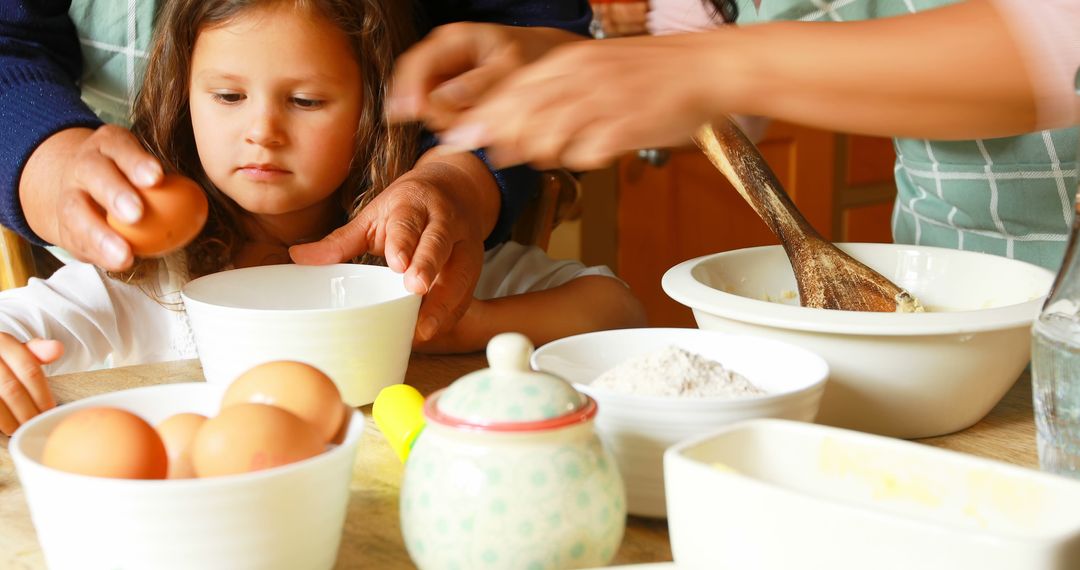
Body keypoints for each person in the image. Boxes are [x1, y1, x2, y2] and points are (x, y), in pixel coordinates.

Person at [0, 0, 645, 436]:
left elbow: (614, 310)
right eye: (227, 96)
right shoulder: (146, 279)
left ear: (377, 105)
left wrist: (470, 324)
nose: (261, 131)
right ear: (182, 95)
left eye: (306, 100)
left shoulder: (409, 258)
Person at [388, 0, 1080, 270]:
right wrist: (548, 65)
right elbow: (713, 58)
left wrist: (710, 68)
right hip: (960, 281)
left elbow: (1064, 45)